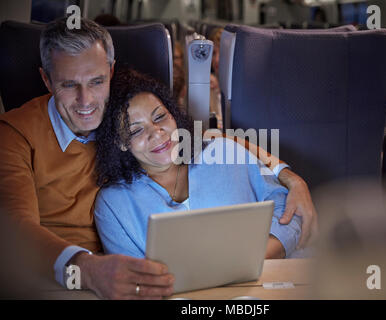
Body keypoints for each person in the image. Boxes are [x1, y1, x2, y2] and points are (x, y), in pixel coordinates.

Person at [0, 17, 317, 299]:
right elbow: (15, 228)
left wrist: (287, 174)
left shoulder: (122, 117)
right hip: (64, 276)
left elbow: (208, 143)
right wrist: (85, 269)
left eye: (96, 81)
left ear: (110, 72)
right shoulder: (16, 135)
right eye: (69, 85)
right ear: (46, 80)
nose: (85, 100)